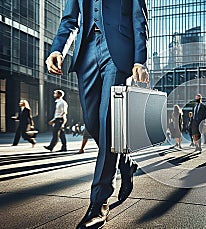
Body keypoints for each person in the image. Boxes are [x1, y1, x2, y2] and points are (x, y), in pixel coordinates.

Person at [45, 0, 149, 227]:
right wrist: (57, 49)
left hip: (118, 53)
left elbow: (139, 18)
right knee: (92, 123)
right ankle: (124, 159)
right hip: (86, 52)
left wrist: (140, 60)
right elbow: (69, 20)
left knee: (107, 120)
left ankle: (99, 201)